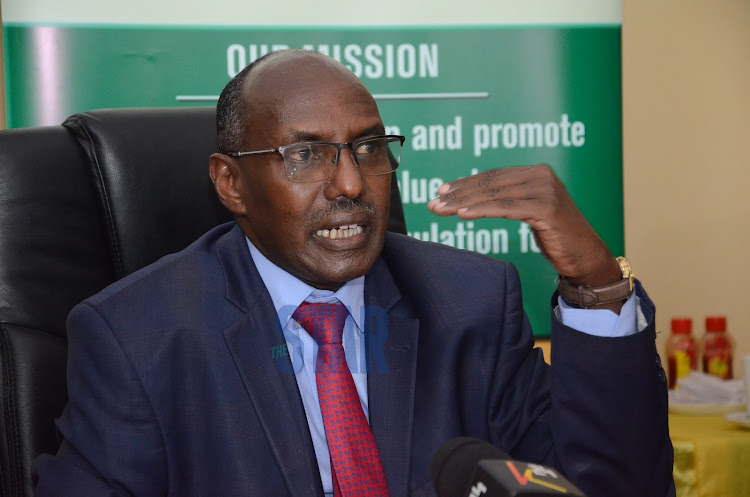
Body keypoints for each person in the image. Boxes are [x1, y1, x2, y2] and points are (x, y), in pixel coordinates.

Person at [34, 49, 674, 497]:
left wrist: (597, 284)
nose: (351, 183)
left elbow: (604, 487)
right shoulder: (137, 336)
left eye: (369, 148)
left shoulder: (471, 302)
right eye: (305, 154)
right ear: (231, 184)